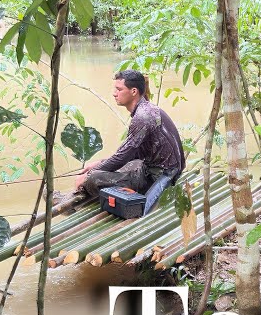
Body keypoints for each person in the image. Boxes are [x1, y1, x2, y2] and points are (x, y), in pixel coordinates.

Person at [75, 70, 185, 214]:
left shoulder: (142, 117)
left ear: (134, 91)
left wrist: (89, 175)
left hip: (162, 176)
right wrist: (98, 163)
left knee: (94, 179)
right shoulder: (147, 109)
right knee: (118, 167)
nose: (114, 93)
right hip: (158, 168)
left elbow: (122, 157)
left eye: (119, 89)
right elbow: (130, 154)